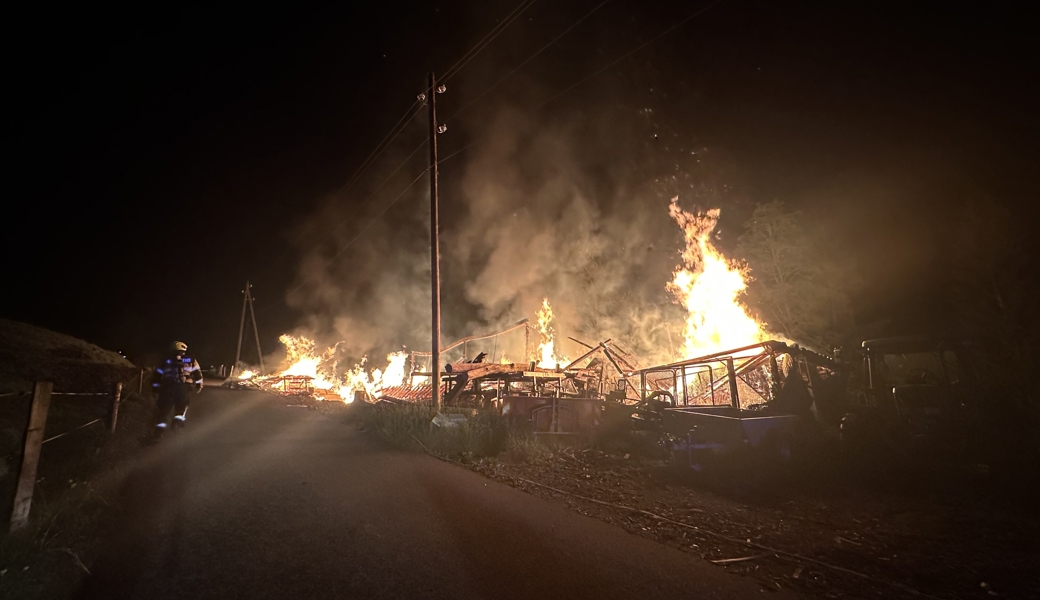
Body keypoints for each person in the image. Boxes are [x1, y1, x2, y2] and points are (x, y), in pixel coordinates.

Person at [151, 341, 204, 434]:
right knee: (182, 407)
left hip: (167, 388)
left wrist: (155, 387)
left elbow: (157, 374)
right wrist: (199, 385)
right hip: (184, 388)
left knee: (164, 409)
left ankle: (159, 430)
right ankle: (177, 424)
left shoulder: (166, 360)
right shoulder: (191, 360)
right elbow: (197, 372)